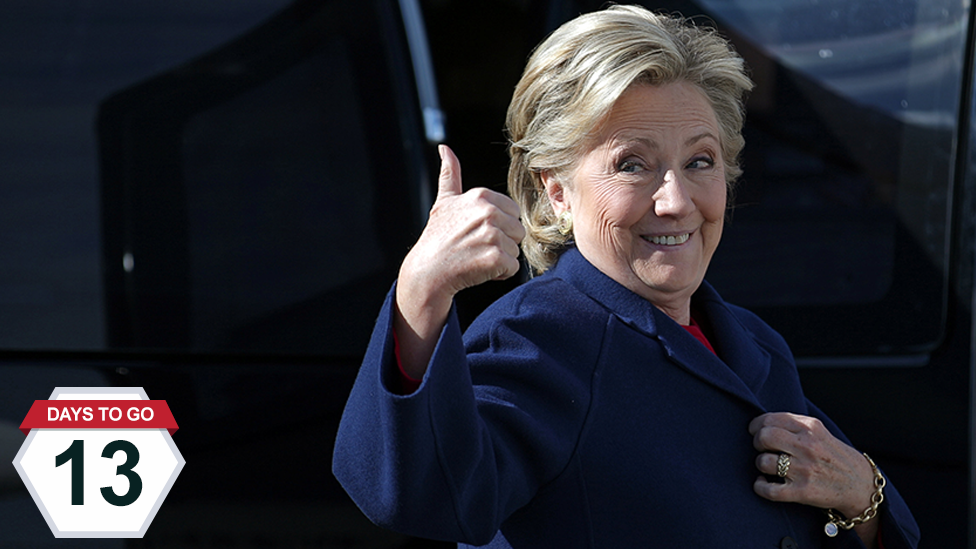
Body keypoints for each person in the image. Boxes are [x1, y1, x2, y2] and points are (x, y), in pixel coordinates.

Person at [333, 5, 920, 548]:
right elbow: (427, 497)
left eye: (700, 161)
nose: (676, 201)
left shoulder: (751, 341)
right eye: (632, 164)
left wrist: (862, 492)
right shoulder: (537, 336)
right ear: (556, 191)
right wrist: (422, 288)